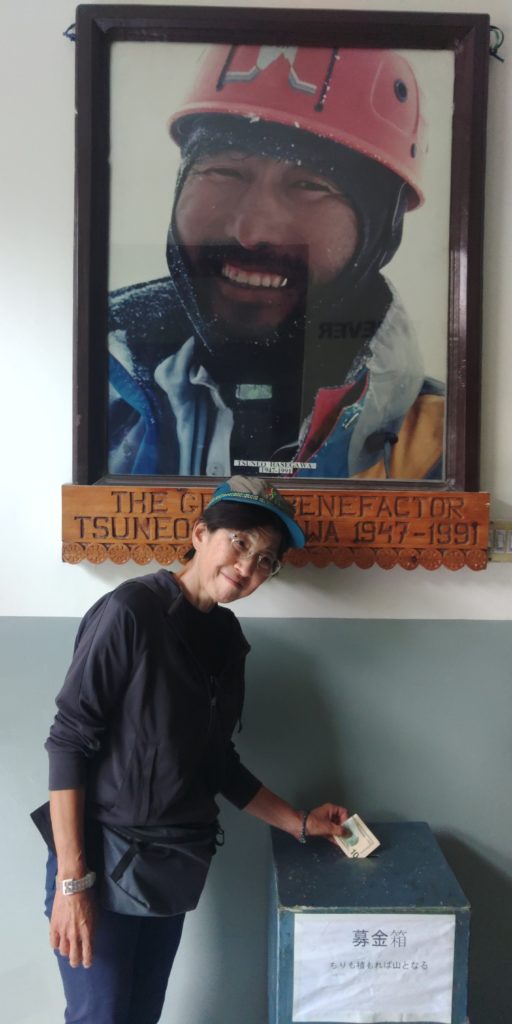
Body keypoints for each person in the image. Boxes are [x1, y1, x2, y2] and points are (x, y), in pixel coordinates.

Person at [34, 476, 349, 1024]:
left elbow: (217, 762)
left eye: (267, 560)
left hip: (171, 867)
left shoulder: (227, 639)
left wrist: (300, 824)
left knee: (141, 1016)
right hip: (100, 864)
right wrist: (72, 882)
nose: (248, 566)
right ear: (201, 534)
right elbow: (68, 741)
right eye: (240, 542)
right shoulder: (131, 611)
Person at [109, 44, 444, 481]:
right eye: (224, 172)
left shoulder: (437, 448)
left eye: (311, 185)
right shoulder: (97, 395)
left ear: (382, 229)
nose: (251, 232)